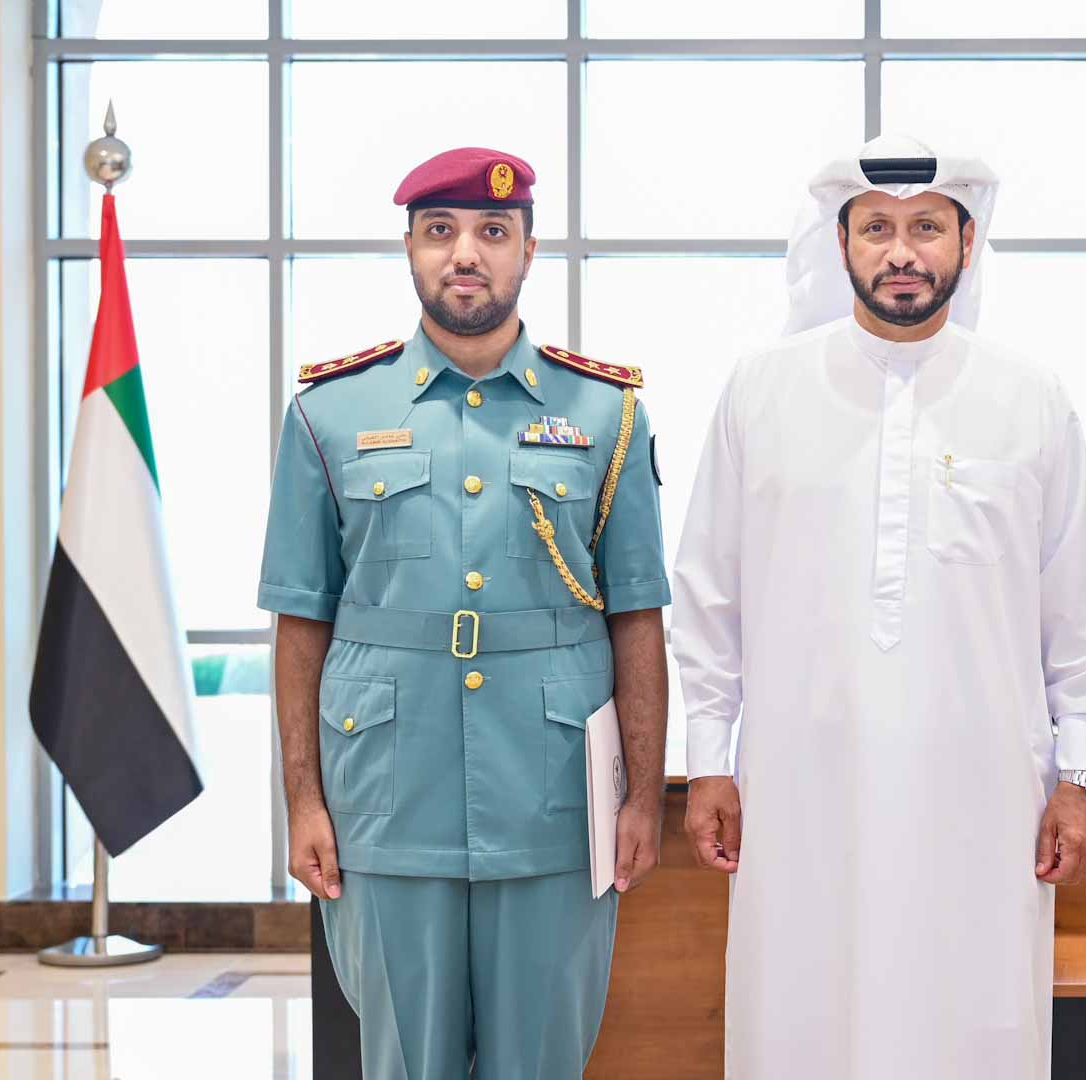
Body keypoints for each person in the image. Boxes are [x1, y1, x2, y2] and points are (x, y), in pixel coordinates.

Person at [670, 135, 1086, 1080]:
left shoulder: (1031, 399)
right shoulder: (762, 390)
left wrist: (1080, 778)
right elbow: (709, 598)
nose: (901, 252)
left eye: (926, 227)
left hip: (984, 797)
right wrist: (708, 762)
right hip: (799, 792)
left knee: (973, 1023)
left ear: (967, 240)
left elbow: (1079, 617)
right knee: (800, 1015)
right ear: (840, 246)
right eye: (875, 228)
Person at [257, 146, 672, 1079]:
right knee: (408, 1061)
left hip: (556, 798)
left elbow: (637, 616)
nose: (466, 254)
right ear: (408, 248)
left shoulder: (605, 413)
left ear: (529, 251)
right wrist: (302, 800)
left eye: (493, 232)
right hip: (388, 796)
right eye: (440, 232)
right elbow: (299, 623)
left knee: (543, 1062)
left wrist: (642, 794)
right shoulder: (328, 411)